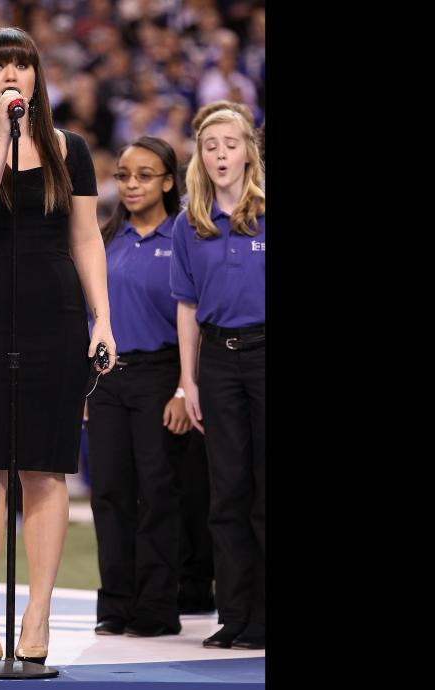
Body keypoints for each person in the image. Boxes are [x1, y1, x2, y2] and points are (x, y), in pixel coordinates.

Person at [0, 27, 114, 665]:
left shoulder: (73, 149)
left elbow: (87, 239)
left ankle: (37, 615)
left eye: (21, 66)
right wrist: (6, 139)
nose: (10, 75)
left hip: (56, 314)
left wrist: (103, 319)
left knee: (45, 467)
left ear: (37, 77)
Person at [170, 108, 265, 650]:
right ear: (200, 157)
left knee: (263, 491)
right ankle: (234, 614)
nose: (221, 154)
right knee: (226, 492)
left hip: (263, 353)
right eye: (211, 146)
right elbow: (186, 307)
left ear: (249, 151)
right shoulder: (191, 222)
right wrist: (189, 380)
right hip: (218, 362)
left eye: (231, 144)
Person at [88, 135, 191, 638]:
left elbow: (193, 320)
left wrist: (180, 390)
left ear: (169, 182)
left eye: (144, 175)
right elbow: (88, 317)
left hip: (160, 376)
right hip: (106, 380)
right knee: (108, 493)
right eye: (124, 174)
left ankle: (155, 607)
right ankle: (115, 604)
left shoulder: (186, 238)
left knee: (157, 494)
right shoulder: (106, 239)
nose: (130, 184)